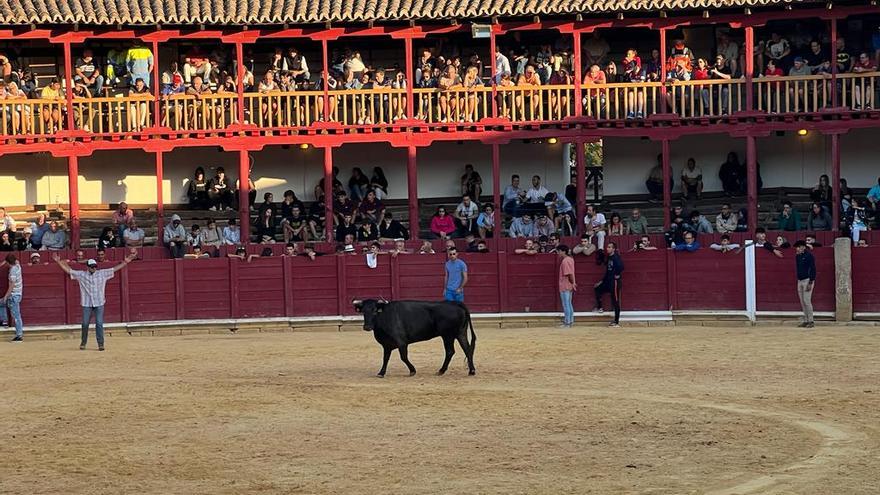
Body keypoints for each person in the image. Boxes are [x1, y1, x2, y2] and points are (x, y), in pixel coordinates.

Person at [53, 252, 136, 351]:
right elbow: (69, 271)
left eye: (95, 267)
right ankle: (83, 342)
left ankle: (100, 344)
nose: (94, 269)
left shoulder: (102, 273)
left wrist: (126, 262)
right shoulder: (82, 274)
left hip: (99, 302)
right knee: (84, 324)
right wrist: (58, 262)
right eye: (92, 267)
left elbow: (115, 268)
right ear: (87, 267)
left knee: (99, 323)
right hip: (86, 303)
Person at [593, 242, 623, 327]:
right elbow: (607, 271)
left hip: (615, 282)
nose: (607, 248)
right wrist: (601, 281)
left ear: (613, 249)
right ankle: (600, 307)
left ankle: (616, 322)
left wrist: (617, 275)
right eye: (607, 247)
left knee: (615, 301)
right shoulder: (609, 257)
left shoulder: (616, 257)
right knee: (598, 289)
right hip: (608, 281)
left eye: (610, 247)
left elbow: (621, 267)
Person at [1, 254, 24, 342]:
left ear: (7, 262)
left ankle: (19, 336)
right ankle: (4, 321)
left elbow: (12, 285)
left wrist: (6, 296)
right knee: (2, 304)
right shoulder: (18, 266)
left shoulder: (12, 272)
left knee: (16, 316)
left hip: (13, 295)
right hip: (18, 294)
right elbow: (16, 260)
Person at [794, 240, 816, 329]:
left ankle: (811, 321)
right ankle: (806, 320)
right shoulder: (797, 257)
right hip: (800, 280)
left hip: (807, 280)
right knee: (802, 302)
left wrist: (811, 282)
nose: (797, 249)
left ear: (803, 247)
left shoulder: (809, 256)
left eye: (798, 247)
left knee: (807, 301)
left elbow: (813, 269)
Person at [557, 245, 576, 328]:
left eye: (559, 251)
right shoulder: (570, 259)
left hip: (565, 285)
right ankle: (570, 321)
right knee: (569, 303)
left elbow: (568, 274)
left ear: (563, 251)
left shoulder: (565, 261)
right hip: (569, 285)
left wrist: (572, 283)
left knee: (566, 304)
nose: (558, 253)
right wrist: (573, 283)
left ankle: (567, 322)